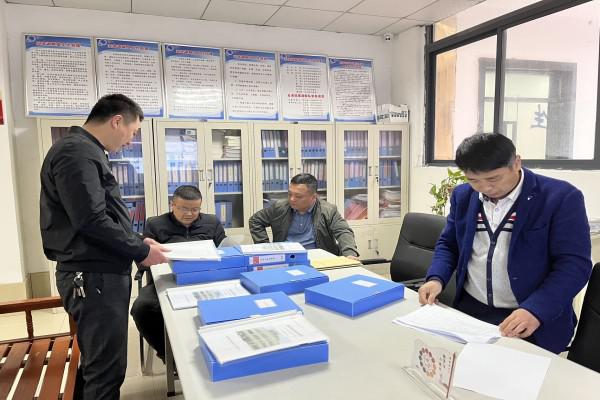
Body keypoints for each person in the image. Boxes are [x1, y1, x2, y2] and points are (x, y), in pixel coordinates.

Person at [40, 94, 170, 399]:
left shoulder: (86, 150)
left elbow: (102, 215)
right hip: (93, 276)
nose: (130, 140)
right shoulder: (76, 152)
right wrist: (141, 251)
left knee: (99, 364)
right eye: (132, 132)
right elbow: (91, 220)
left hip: (99, 273)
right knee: (105, 371)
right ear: (117, 121)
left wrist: (138, 241)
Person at [418, 133, 592, 353]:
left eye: (493, 179)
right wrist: (436, 278)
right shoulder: (463, 196)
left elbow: (574, 265)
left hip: (529, 317)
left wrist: (536, 310)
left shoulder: (559, 198)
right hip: (472, 311)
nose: (485, 188)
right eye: (474, 180)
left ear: (516, 163)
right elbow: (449, 243)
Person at [131, 185, 226, 362]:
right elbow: (144, 258)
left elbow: (224, 250)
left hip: (205, 278)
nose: (189, 214)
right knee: (142, 308)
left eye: (195, 209)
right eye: (183, 208)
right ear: (172, 205)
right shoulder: (155, 224)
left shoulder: (212, 222)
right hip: (167, 280)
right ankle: (168, 356)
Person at [249, 173, 359, 259]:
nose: (292, 199)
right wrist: (266, 249)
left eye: (298, 196)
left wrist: (350, 254)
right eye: (290, 194)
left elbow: (343, 231)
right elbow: (255, 221)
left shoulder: (328, 210)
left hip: (318, 259)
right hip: (287, 259)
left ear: (314, 197)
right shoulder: (280, 207)